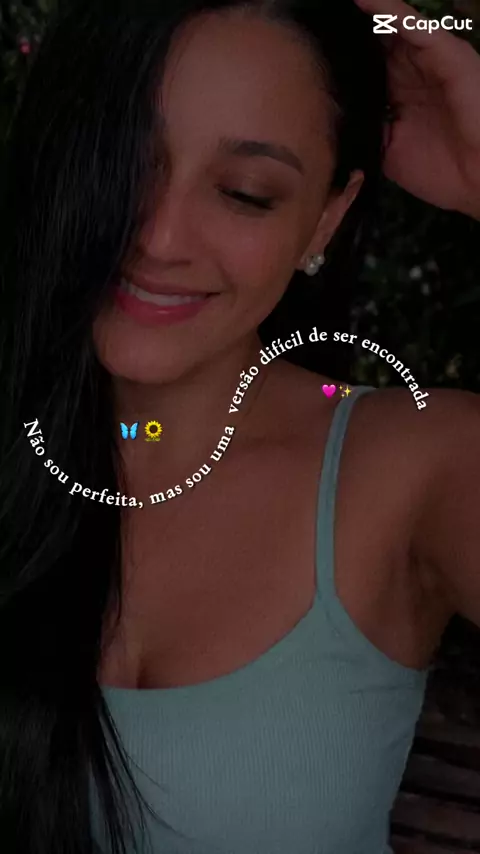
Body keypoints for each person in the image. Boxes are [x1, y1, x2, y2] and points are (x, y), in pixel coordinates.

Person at [0, 0, 479, 852]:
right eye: (124, 159)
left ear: (326, 218)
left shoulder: (415, 465)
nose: (159, 235)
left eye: (244, 193)